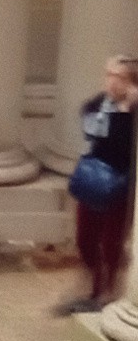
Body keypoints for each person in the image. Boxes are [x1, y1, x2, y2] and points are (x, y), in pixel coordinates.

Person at [62, 53, 138, 314]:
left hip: (120, 183)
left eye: (119, 77)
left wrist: (127, 111)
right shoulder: (100, 103)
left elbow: (121, 144)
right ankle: (93, 285)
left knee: (111, 241)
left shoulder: (133, 111)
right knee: (85, 238)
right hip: (94, 178)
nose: (112, 82)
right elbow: (88, 122)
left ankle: (106, 291)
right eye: (109, 75)